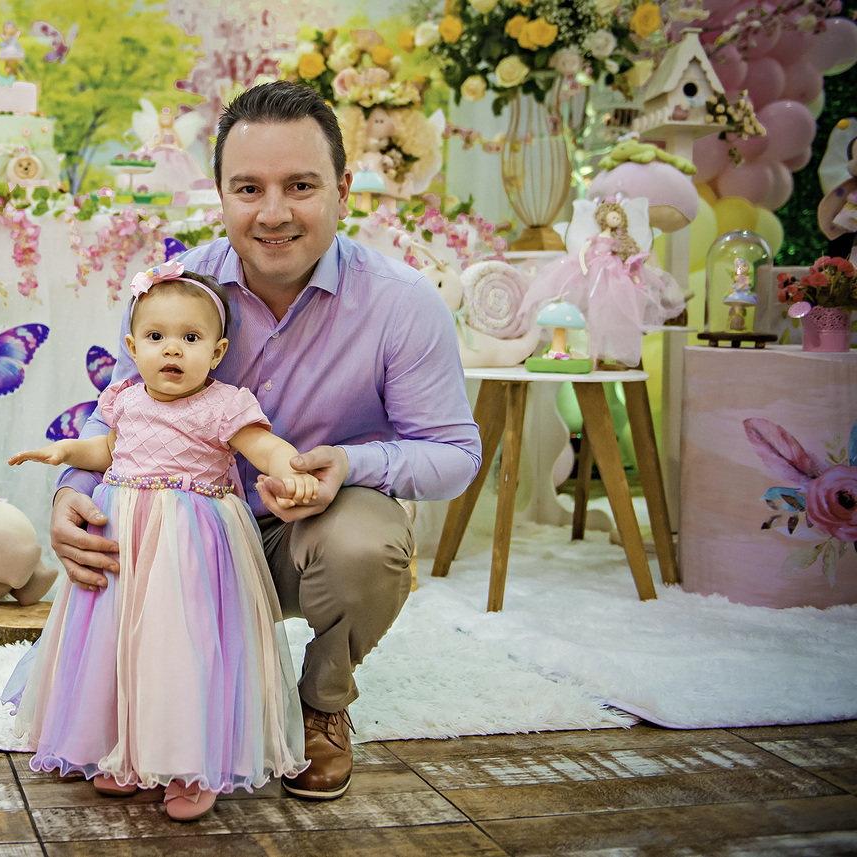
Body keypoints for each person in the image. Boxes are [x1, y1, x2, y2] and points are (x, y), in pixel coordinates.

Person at [48, 80, 482, 801]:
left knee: (368, 544)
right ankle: (139, 716)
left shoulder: (403, 304)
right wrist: (71, 491)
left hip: (299, 538)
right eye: (249, 188)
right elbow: (117, 411)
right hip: (178, 538)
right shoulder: (175, 292)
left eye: (301, 186)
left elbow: (455, 456)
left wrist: (351, 463)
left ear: (343, 190)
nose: (273, 213)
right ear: (220, 195)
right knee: (119, 523)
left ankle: (321, 703)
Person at [4, 263, 315, 821]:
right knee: (116, 642)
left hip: (191, 542)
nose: (172, 350)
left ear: (217, 353)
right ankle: (121, 748)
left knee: (182, 645)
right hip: (123, 536)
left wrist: (292, 469)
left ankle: (190, 761)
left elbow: (264, 448)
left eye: (190, 338)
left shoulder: (224, 404)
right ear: (133, 347)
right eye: (155, 337)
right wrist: (65, 452)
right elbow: (107, 451)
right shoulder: (125, 398)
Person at [521, 198, 684, 367]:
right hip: (594, 266)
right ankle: (590, 354)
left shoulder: (617, 240)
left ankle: (601, 355)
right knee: (590, 308)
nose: (615, 219)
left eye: (618, 217)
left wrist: (631, 272)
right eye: (613, 216)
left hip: (612, 270)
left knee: (609, 308)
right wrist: (583, 266)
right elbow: (583, 251)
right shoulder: (596, 238)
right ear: (604, 217)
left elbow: (625, 255)